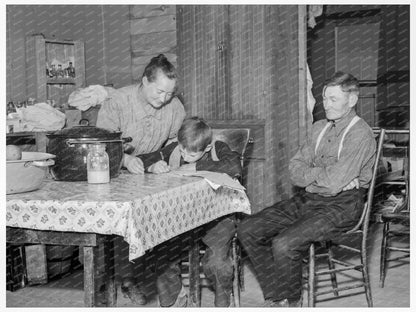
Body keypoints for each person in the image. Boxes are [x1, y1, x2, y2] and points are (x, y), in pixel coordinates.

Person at [236, 72, 377, 307]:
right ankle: (277, 293)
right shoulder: (319, 127)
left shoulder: (360, 134)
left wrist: (313, 177)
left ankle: (292, 301)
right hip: (309, 198)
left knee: (284, 243)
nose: (326, 104)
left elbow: (333, 184)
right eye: (324, 98)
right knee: (248, 229)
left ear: (351, 100)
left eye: (333, 99)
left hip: (343, 205)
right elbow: (294, 169)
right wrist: (317, 179)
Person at [95, 54, 186, 305]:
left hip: (149, 172)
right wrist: (124, 160)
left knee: (158, 221)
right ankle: (108, 281)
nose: (164, 98)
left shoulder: (175, 106)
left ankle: (138, 280)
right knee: (114, 226)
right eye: (159, 92)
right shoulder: (117, 101)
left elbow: (173, 143)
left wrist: (163, 161)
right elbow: (101, 143)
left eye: (169, 93)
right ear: (144, 81)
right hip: (114, 170)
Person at [136, 117, 242, 307]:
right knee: (159, 252)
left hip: (218, 218)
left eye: (191, 154)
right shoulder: (178, 149)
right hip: (183, 217)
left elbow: (234, 166)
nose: (184, 156)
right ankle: (176, 298)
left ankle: (223, 298)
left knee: (216, 262)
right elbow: (145, 158)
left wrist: (197, 166)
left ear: (207, 148)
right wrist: (152, 166)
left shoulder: (218, 148)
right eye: (182, 149)